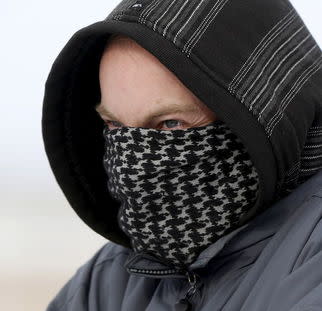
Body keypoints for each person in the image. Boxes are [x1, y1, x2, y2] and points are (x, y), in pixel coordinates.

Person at [41, 0, 322, 310]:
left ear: (265, 112)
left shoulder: (312, 255)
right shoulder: (112, 277)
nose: (134, 164)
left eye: (171, 123)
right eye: (115, 125)